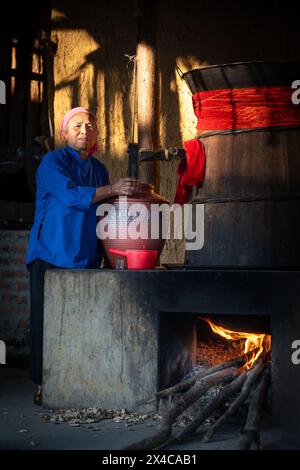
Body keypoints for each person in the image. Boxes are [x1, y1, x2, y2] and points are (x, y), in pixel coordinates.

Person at [26, 106, 139, 405]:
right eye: (76, 125)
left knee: (80, 322)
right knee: (43, 322)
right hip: (50, 253)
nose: (83, 130)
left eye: (90, 126)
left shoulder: (99, 170)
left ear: (96, 134)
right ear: (65, 132)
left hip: (85, 258)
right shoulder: (52, 162)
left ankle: (76, 379)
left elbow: (104, 212)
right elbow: (71, 196)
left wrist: (111, 253)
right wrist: (113, 188)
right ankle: (42, 383)